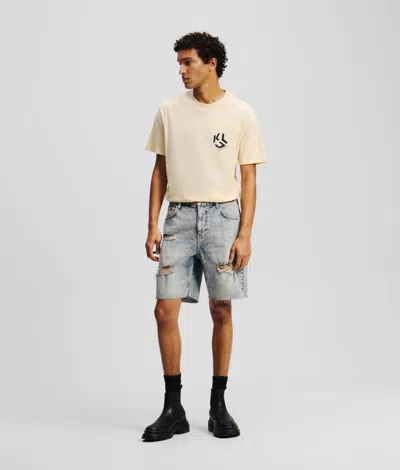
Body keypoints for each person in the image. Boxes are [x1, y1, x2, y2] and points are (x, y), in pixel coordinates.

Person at [142, 31, 267, 441]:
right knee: (164, 311)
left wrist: (245, 234)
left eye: (188, 62)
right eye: (179, 63)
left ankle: (218, 404)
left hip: (223, 218)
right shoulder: (169, 110)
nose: (181, 70)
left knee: (222, 310)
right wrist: (152, 224)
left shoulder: (241, 113)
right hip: (178, 218)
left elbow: (248, 177)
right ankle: (173, 408)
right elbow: (160, 170)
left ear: (211, 63)